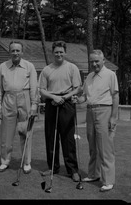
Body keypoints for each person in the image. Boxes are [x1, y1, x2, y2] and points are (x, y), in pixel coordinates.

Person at [73, 49, 119, 192]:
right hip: (90, 111)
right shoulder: (89, 76)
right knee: (92, 145)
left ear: (103, 60)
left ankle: (108, 180)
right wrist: (77, 99)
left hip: (105, 110)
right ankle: (94, 174)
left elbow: (115, 97)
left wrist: (113, 117)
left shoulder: (110, 75)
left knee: (105, 147)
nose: (94, 64)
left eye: (96, 61)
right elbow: (85, 97)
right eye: (91, 61)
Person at [38, 40, 82, 182]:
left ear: (65, 52)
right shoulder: (46, 70)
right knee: (51, 136)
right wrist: (54, 97)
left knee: (68, 138)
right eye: (56, 52)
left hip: (67, 103)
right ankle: (53, 167)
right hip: (52, 102)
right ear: (53, 53)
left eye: (61, 52)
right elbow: (42, 91)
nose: (59, 54)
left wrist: (64, 97)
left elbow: (78, 88)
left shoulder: (72, 68)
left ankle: (73, 170)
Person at [0, 41, 38, 173]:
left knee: (25, 131)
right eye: (13, 50)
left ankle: (26, 162)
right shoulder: (3, 66)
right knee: (7, 133)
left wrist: (34, 105)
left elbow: (34, 87)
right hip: (8, 99)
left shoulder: (29, 66)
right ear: (9, 52)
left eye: (18, 50)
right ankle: (5, 161)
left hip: (24, 98)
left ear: (22, 52)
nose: (15, 53)